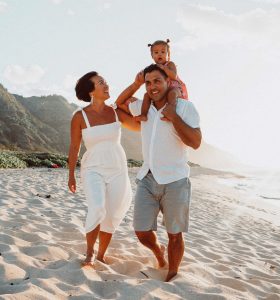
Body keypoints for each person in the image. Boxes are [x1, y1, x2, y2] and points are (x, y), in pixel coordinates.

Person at [116, 64, 202, 281]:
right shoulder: (144, 109)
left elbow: (196, 142)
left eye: (157, 81)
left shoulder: (184, 107)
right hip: (148, 177)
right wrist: (136, 83)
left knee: (175, 234)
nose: (152, 86)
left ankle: (172, 275)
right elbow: (119, 104)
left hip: (176, 180)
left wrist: (174, 117)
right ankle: (157, 252)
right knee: (141, 231)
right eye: (148, 82)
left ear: (168, 82)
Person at [68, 71, 140, 267]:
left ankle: (101, 254)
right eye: (101, 83)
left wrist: (134, 97)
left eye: (106, 81)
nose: (106, 85)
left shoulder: (116, 112)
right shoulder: (79, 116)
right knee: (98, 207)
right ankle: (90, 252)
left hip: (117, 168)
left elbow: (138, 125)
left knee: (113, 212)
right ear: (91, 91)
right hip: (92, 168)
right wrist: (71, 175)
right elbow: (74, 147)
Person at [135, 39, 189, 122]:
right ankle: (144, 114)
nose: (159, 54)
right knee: (146, 95)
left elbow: (173, 76)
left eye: (163, 52)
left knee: (172, 94)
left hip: (175, 89)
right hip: (162, 90)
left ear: (168, 54)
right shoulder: (154, 68)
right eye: (156, 52)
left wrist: (165, 68)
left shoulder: (170, 64)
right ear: (152, 56)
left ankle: (170, 113)